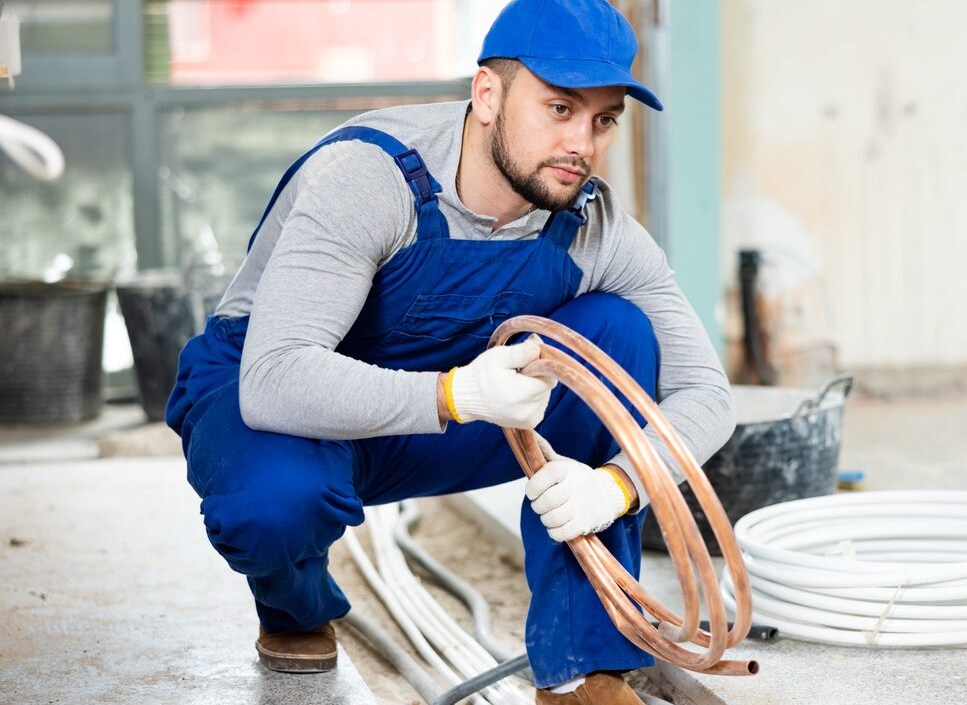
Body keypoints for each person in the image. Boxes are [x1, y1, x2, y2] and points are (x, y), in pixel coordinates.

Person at [164, 1, 734, 703]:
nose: (583, 143)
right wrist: (456, 395)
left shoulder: (594, 227)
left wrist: (616, 484)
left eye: (603, 119)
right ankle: (293, 600)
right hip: (278, 398)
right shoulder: (371, 177)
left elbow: (710, 395)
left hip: (444, 417)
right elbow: (276, 376)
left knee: (619, 333)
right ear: (487, 95)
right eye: (560, 109)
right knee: (275, 506)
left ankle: (584, 665)